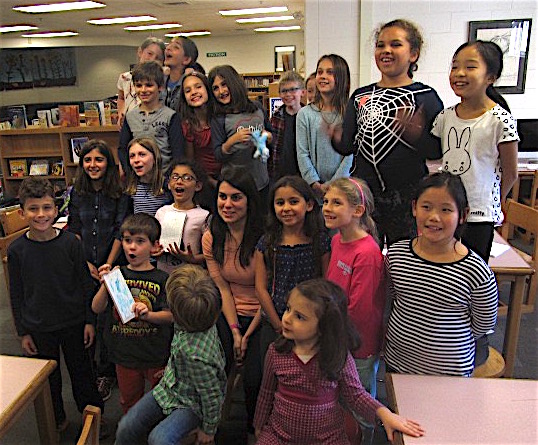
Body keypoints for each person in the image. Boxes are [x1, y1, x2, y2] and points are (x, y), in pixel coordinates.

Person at [253, 278, 425, 445]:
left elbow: (356, 395)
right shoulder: (276, 352)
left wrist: (384, 413)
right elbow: (266, 392)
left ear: (324, 326)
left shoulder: (338, 356)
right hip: (280, 436)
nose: (287, 318)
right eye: (288, 309)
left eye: (299, 316)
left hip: (327, 439)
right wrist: (259, 427)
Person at [333, 19, 444, 247]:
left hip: (407, 198)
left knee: (403, 258)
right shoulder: (361, 96)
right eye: (380, 45)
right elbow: (350, 146)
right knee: (365, 253)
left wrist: (414, 133)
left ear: (413, 54)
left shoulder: (425, 96)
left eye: (395, 44)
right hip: (366, 196)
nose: (386, 51)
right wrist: (335, 139)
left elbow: (436, 152)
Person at [8, 177, 103, 432]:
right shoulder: (16, 250)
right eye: (34, 209)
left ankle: (92, 419)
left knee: (83, 373)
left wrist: (89, 321)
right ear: (22, 212)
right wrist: (22, 331)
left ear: (57, 208)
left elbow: (85, 285)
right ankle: (56, 421)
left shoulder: (71, 243)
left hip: (73, 322)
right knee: (49, 381)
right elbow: (16, 293)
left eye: (47, 207)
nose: (41, 215)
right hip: (39, 326)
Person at [384, 172, 498, 375]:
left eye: (446, 209)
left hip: (449, 371)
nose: (434, 217)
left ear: (463, 215)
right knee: (398, 407)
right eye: (426, 207)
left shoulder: (476, 270)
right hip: (398, 363)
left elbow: (482, 325)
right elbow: (393, 297)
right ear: (414, 208)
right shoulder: (396, 254)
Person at [114, 264, 226, 445]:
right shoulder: (196, 318)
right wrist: (173, 368)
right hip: (171, 386)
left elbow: (212, 396)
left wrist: (209, 429)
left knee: (159, 440)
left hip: (191, 404)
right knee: (127, 425)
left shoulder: (197, 356)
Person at [431, 40, 519, 261]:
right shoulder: (445, 116)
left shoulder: (499, 119)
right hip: (447, 209)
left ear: (491, 77)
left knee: (472, 273)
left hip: (479, 216)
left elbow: (511, 173)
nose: (459, 73)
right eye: (454, 67)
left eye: (470, 67)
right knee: (444, 268)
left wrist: (492, 205)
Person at [68, 139, 131, 401]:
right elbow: (74, 227)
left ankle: (108, 371)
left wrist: (109, 264)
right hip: (85, 264)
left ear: (108, 162)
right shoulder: (77, 192)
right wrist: (87, 263)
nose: (93, 165)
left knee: (111, 318)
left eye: (99, 159)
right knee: (87, 316)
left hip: (114, 264)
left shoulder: (120, 193)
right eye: (88, 160)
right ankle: (92, 369)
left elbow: (120, 229)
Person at [202, 168, 263, 436]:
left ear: (249, 200)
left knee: (254, 378)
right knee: (213, 365)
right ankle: (211, 426)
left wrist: (247, 334)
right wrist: (236, 330)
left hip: (265, 312)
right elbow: (223, 289)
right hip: (230, 312)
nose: (227, 204)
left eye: (236, 197)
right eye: (222, 197)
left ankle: (255, 430)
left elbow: (268, 292)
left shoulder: (264, 236)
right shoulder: (212, 236)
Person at [323, 177, 385, 443]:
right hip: (338, 338)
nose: (327, 207)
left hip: (358, 344)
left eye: (336, 203)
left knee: (360, 403)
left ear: (357, 210)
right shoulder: (337, 239)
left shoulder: (367, 252)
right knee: (340, 402)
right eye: (326, 201)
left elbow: (358, 310)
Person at [92, 213, 173, 413]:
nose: (132, 247)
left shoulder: (163, 278)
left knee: (161, 403)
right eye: (127, 241)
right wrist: (105, 284)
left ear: (154, 246)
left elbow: (171, 315)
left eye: (139, 241)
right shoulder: (118, 275)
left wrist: (149, 315)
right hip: (124, 354)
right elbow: (96, 307)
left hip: (155, 353)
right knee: (129, 401)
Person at [255, 175, 330, 363]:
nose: (286, 208)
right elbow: (260, 288)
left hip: (310, 323)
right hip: (274, 321)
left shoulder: (320, 241)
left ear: (310, 205)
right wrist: (278, 325)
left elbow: (326, 282)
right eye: (280, 203)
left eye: (294, 201)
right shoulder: (267, 242)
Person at [209, 65, 273, 209]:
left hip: (261, 181)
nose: (221, 91)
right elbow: (219, 154)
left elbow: (271, 134)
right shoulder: (219, 118)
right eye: (215, 88)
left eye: (224, 85)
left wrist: (267, 137)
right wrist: (232, 141)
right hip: (234, 185)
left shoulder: (257, 107)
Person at [296, 54, 353, 201]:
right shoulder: (305, 114)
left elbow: (351, 154)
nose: (323, 76)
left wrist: (334, 184)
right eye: (320, 72)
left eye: (330, 72)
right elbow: (302, 153)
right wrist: (315, 184)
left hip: (344, 188)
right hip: (315, 191)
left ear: (341, 78)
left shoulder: (350, 112)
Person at [118, 60, 184, 176]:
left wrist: (170, 176)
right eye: (139, 85)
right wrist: (130, 174)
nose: (143, 90)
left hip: (164, 179)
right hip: (138, 180)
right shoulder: (130, 117)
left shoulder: (170, 116)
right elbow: (123, 149)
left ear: (160, 87)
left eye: (149, 85)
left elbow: (177, 153)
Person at [155, 159, 209, 273]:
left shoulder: (204, 216)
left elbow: (212, 254)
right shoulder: (161, 212)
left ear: (198, 186)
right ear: (169, 184)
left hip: (190, 277)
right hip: (162, 275)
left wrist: (193, 259)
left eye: (187, 178)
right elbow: (152, 242)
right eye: (175, 177)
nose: (179, 181)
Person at [177, 70, 220, 210]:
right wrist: (209, 180)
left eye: (198, 87)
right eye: (188, 90)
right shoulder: (187, 125)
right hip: (204, 180)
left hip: (227, 175)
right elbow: (191, 161)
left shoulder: (220, 118)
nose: (194, 92)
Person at [117, 37, 166, 127]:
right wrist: (121, 112)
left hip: (153, 123)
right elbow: (121, 98)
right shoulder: (125, 78)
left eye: (158, 58)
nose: (152, 59)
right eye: (149, 54)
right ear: (140, 52)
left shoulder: (163, 79)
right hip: (129, 123)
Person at [268, 71, 305, 180]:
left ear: (302, 92)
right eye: (284, 91)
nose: (288, 94)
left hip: (302, 174)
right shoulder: (275, 117)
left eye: (293, 89)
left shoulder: (309, 117)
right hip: (279, 173)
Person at [125, 136, 171, 216]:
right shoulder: (130, 187)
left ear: (154, 158)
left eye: (142, 155)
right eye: (132, 156)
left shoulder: (167, 186)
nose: (136, 160)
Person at [163, 36, 199, 111]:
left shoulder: (192, 85)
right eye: (169, 44)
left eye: (176, 47)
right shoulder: (161, 80)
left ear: (186, 59)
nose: (168, 48)